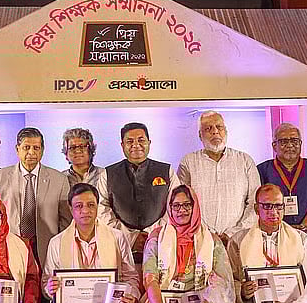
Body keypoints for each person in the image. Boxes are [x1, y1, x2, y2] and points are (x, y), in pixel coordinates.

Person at [0, 126, 71, 265]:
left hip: (47, 249)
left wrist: (60, 250)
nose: (31, 152)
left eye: (36, 148)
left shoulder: (59, 180)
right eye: (26, 147)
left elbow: (66, 222)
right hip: (9, 249)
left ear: (42, 150)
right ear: (17, 149)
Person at [177, 111, 260, 244]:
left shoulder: (245, 160)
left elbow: (255, 202)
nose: (215, 132)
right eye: (208, 128)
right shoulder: (188, 162)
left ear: (226, 131)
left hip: (240, 240)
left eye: (219, 127)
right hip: (200, 239)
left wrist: (233, 233)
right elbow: (183, 204)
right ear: (200, 135)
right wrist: (205, 232)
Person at [101, 122, 172, 264]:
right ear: (122, 145)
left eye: (141, 140)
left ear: (149, 143)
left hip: (161, 244)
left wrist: (152, 234)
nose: (136, 145)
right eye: (130, 141)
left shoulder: (167, 171)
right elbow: (102, 209)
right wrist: (130, 237)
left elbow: (175, 207)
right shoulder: (108, 174)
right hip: (120, 247)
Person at [257, 122, 307, 234]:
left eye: (294, 141)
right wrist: (281, 230)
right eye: (284, 141)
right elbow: (260, 204)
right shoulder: (262, 170)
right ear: (274, 146)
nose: (290, 145)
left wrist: (304, 227)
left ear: (300, 144)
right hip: (274, 233)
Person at [61, 127, 112, 225]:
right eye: (72, 147)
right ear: (66, 153)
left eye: (82, 146)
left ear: (91, 150)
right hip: (69, 233)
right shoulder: (60, 179)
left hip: (101, 231)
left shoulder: (105, 175)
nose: (77, 151)